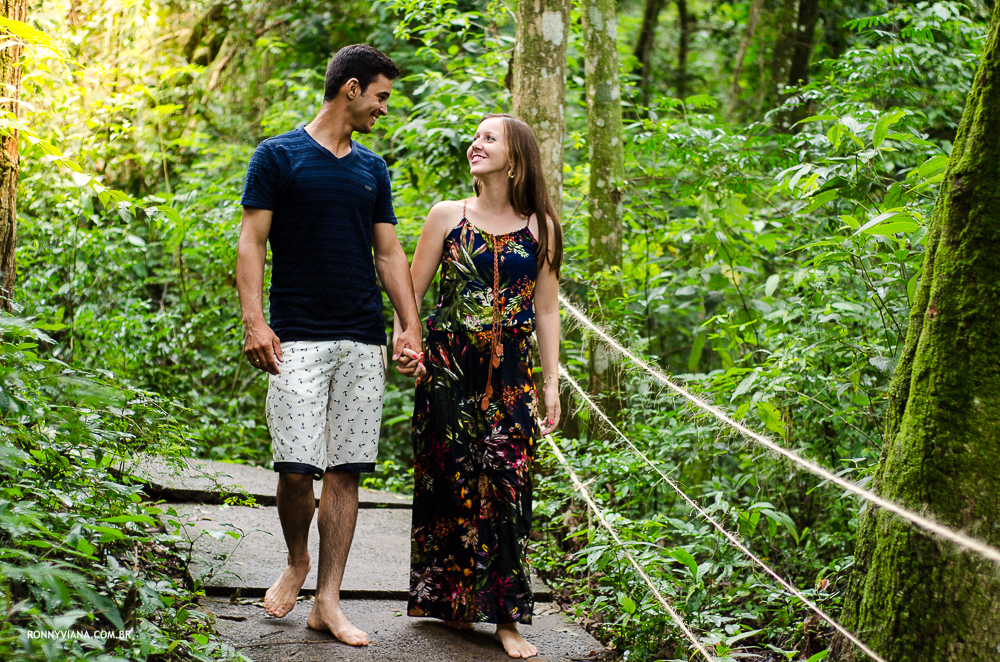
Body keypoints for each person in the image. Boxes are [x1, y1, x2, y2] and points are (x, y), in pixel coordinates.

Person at [235, 44, 423, 647]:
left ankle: (328, 600)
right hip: (296, 339)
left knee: (345, 470)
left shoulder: (373, 169)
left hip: (361, 340)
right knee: (296, 469)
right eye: (380, 96)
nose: (382, 108)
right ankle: (297, 560)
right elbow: (251, 243)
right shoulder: (278, 155)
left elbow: (389, 252)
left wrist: (407, 325)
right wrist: (254, 322)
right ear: (350, 89)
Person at [396, 113, 562, 659]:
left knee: (507, 486)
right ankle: (455, 604)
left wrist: (552, 384)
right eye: (476, 136)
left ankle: (507, 619)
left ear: (516, 158)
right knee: (452, 483)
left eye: (490, 138)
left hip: (513, 373)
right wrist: (403, 345)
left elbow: (545, 308)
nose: (477, 144)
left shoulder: (542, 226)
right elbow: (411, 296)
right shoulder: (446, 216)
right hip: (447, 370)